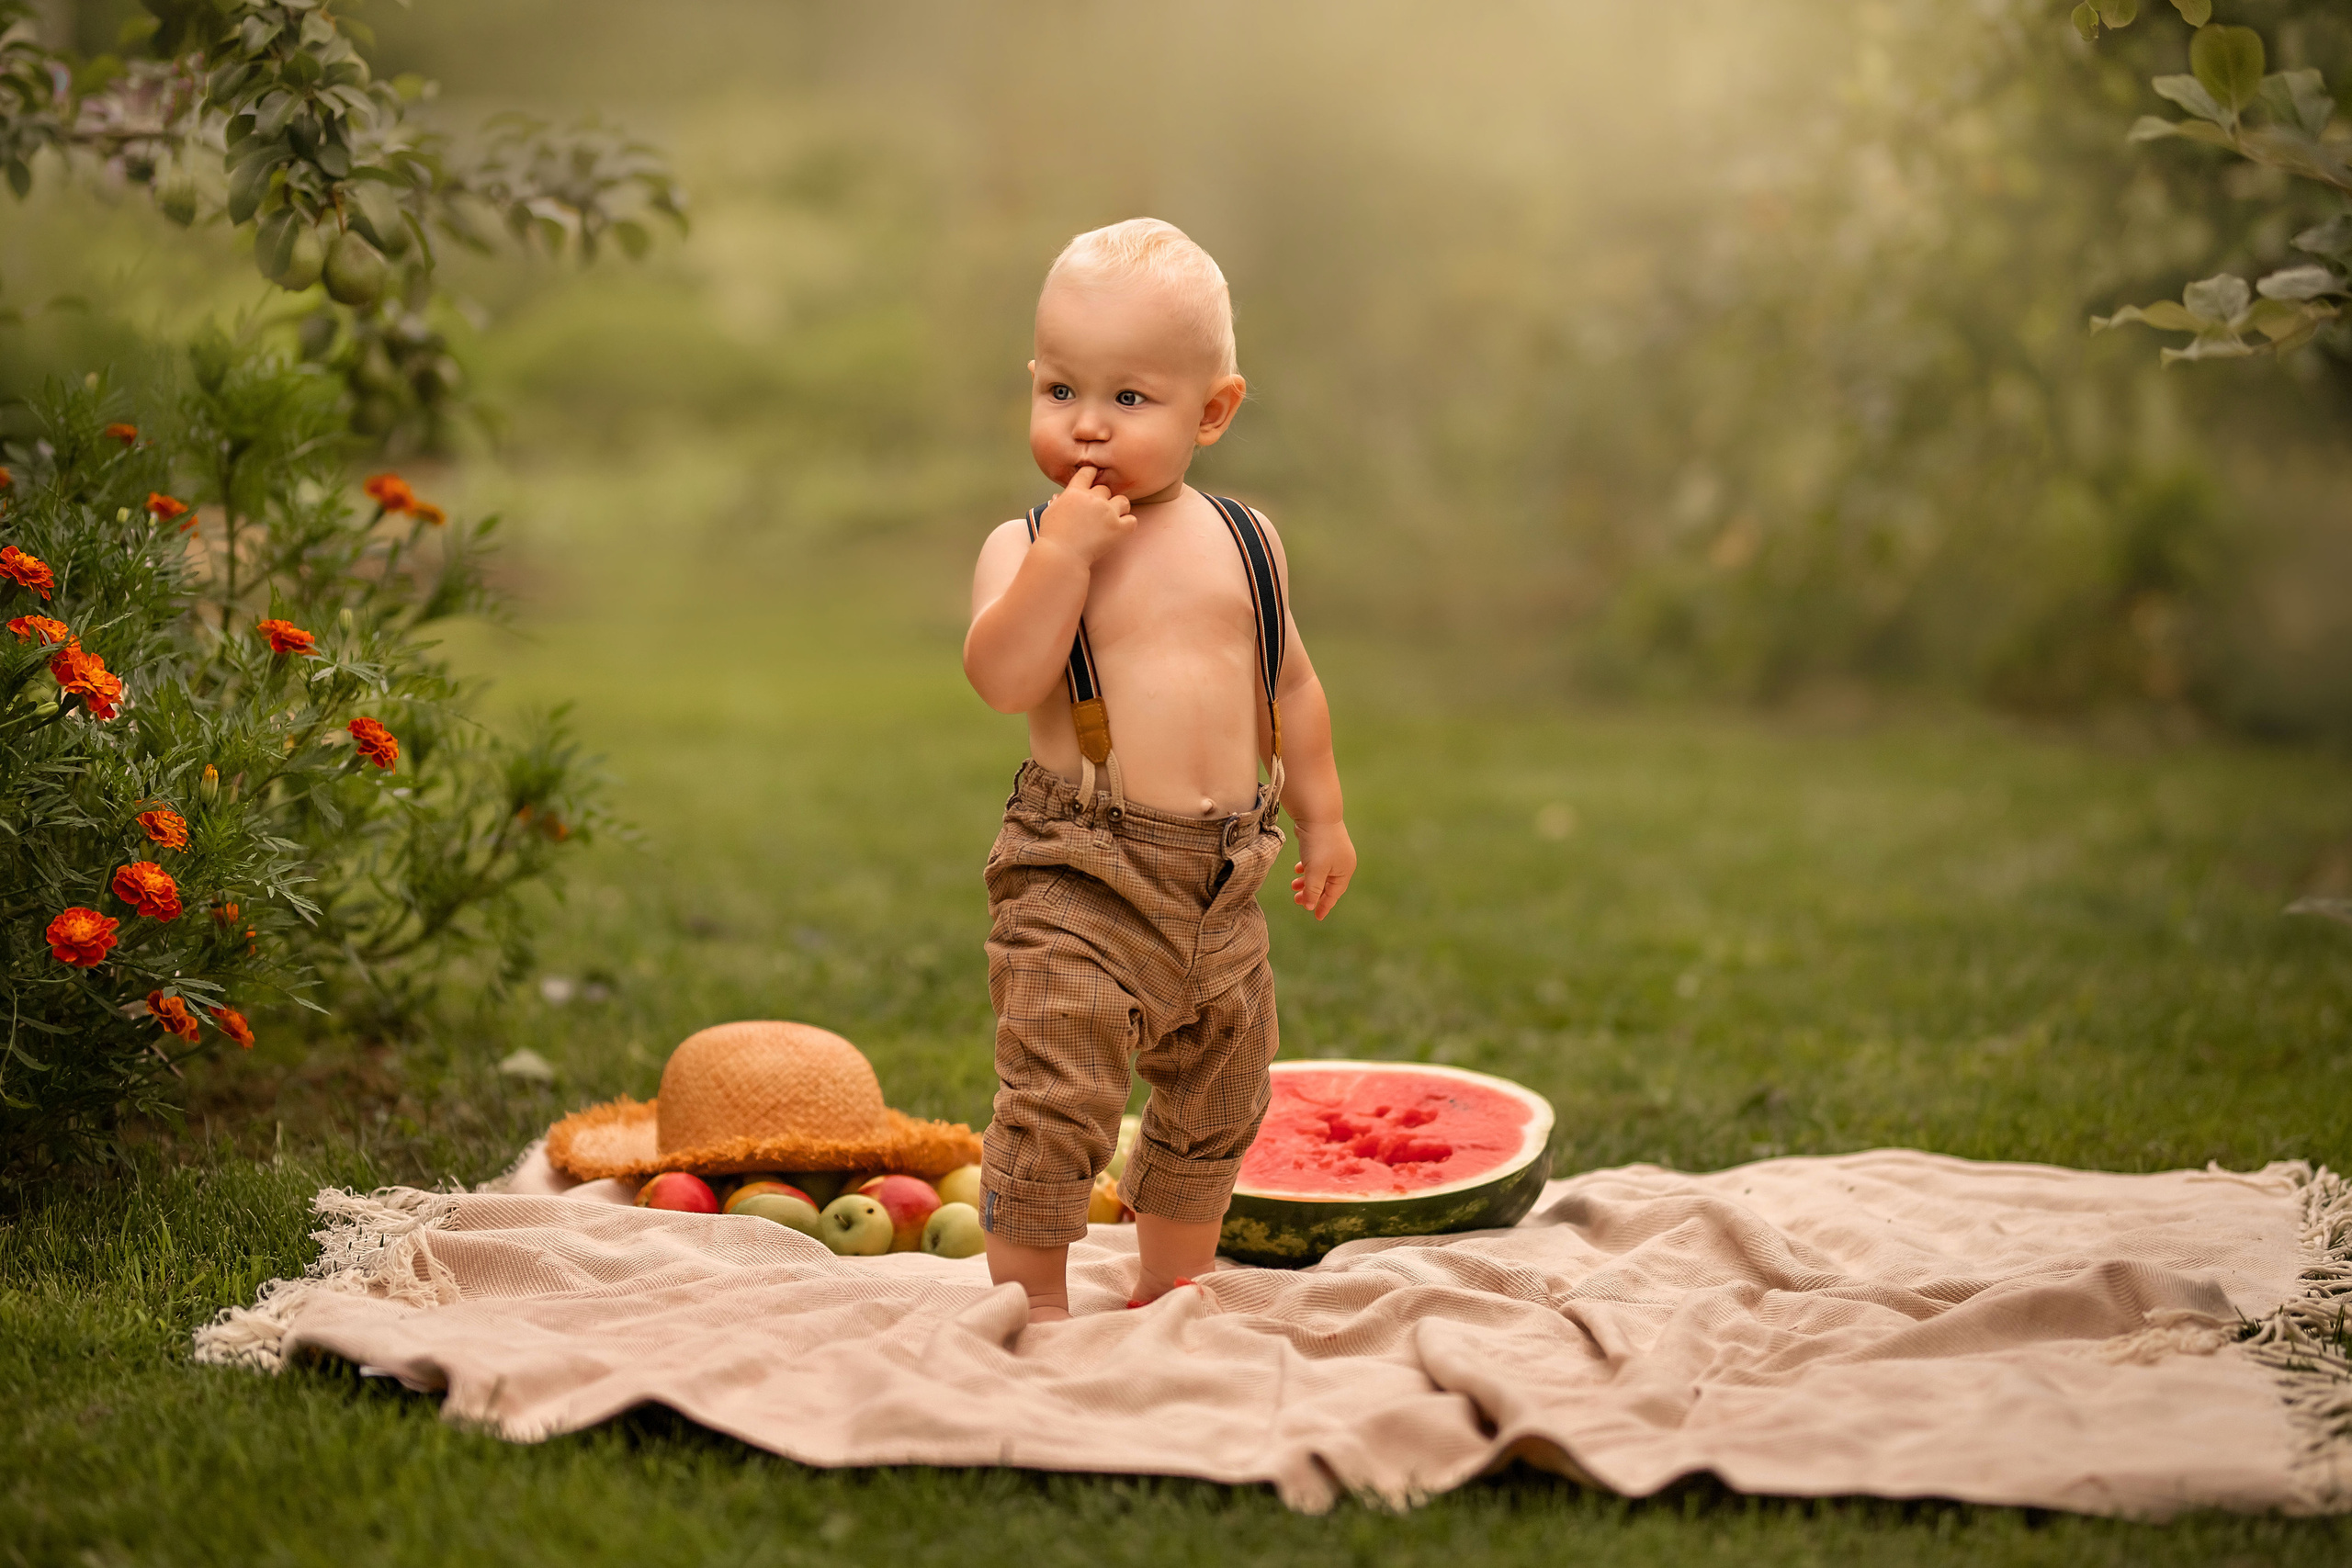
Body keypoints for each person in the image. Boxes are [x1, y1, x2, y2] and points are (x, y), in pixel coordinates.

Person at [963, 218, 1357, 1323]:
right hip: (1081, 872)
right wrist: (1063, 561)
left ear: (1212, 412)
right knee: (1060, 1091)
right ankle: (1033, 1302)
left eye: (1128, 400)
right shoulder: (1027, 541)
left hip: (1225, 879)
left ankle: (1171, 1285)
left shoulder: (1245, 539)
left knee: (1222, 1091)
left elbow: (1292, 688)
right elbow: (1001, 677)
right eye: (1058, 391)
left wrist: (1322, 821)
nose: (1086, 423)